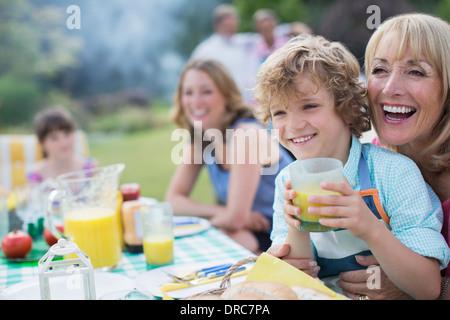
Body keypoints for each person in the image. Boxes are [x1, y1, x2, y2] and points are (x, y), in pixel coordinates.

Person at [253, 34, 449, 299]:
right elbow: (298, 282)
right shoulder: (286, 181)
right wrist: (295, 229)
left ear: (346, 108)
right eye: (279, 113)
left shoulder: (394, 173)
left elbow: (428, 288)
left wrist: (369, 227)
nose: (294, 125)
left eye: (309, 106)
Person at [334, 13, 450, 300]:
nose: (390, 89)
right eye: (379, 70)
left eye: (416, 72)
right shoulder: (366, 159)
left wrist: (424, 287)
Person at [165, 59, 292, 253]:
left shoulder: (246, 133)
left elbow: (235, 219)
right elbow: (173, 201)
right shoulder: (201, 138)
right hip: (253, 233)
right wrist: (220, 212)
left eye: (206, 91)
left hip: (289, 231)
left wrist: (211, 223)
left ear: (226, 95)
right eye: (188, 92)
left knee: (220, 241)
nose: (196, 101)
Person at [191, 4, 255, 104]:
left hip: (245, 104)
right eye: (228, 25)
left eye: (234, 24)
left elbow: (273, 34)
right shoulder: (205, 50)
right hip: (218, 104)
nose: (232, 28)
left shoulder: (244, 42)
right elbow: (193, 78)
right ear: (217, 25)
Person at [28, 107, 97, 184]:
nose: (63, 142)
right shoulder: (36, 175)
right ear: (42, 144)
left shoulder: (90, 167)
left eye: (67, 134)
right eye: (54, 138)